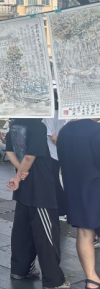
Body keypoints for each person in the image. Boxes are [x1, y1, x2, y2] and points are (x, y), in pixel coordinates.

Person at [6, 118, 69, 289]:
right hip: (40, 187)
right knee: (47, 233)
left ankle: (20, 269)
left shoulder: (14, 125)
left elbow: (10, 151)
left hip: (24, 186)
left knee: (22, 229)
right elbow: (30, 156)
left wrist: (19, 173)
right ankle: (53, 280)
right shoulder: (38, 127)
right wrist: (20, 174)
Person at [57, 119, 100, 289]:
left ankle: (91, 279)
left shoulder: (64, 131)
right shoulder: (97, 130)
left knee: (84, 232)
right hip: (96, 187)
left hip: (75, 188)